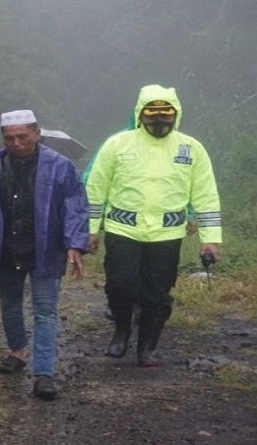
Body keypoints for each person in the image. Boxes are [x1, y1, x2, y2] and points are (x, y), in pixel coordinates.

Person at [86, 85, 222, 367]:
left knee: (157, 293)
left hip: (167, 234)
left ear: (176, 114)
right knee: (121, 285)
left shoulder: (191, 148)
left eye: (166, 114)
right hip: (122, 230)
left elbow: (206, 194)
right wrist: (89, 229)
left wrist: (210, 239)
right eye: (152, 113)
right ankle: (122, 331)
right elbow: (96, 189)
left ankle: (147, 347)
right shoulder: (118, 145)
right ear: (140, 114)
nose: (159, 120)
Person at [0, 109, 89, 400]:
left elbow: (75, 206)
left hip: (45, 248)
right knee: (9, 304)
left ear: (36, 133)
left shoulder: (60, 167)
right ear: (3, 138)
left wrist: (74, 243)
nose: (17, 143)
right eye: (10, 138)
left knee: (45, 311)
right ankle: (17, 351)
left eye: (23, 136)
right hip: (5, 248)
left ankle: (44, 372)